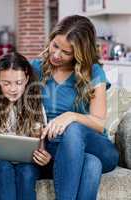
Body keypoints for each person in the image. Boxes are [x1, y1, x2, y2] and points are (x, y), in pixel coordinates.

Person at [30, 15, 119, 199]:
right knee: (91, 165)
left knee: (74, 129)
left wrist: (71, 116)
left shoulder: (93, 72)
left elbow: (99, 123)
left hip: (96, 146)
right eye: (55, 46)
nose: (56, 55)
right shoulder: (36, 68)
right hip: (56, 148)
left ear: (80, 52)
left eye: (66, 52)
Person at [0, 52, 52, 200]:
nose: (13, 89)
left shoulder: (36, 105)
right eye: (6, 83)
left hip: (27, 162)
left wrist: (44, 157)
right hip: (0, 160)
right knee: (4, 169)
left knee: (27, 173)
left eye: (18, 83)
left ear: (27, 79)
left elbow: (40, 144)